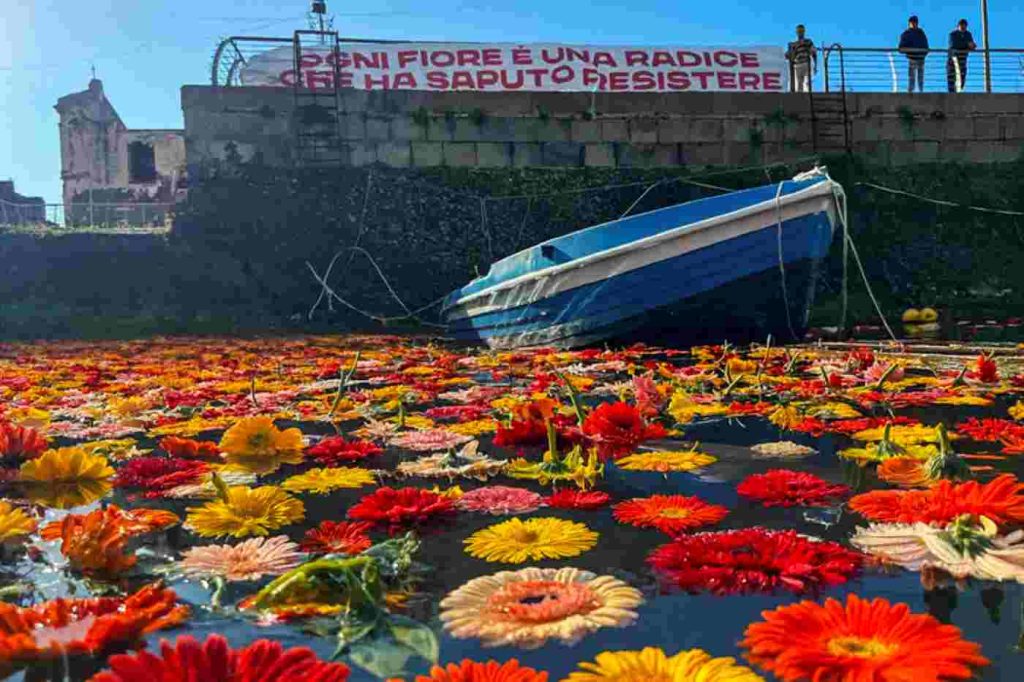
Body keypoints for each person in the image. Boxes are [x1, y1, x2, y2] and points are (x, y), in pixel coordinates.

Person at [899, 15, 929, 92]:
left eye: (915, 22)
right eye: (912, 22)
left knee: (920, 76)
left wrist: (924, 53)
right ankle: (910, 92)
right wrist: (910, 51)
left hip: (921, 57)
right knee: (911, 77)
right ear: (909, 24)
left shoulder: (920, 32)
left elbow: (925, 45)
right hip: (912, 57)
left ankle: (921, 91)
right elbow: (901, 47)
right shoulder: (906, 34)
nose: (914, 24)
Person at [947, 19, 976, 92]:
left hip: (963, 59)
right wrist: (966, 45)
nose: (963, 27)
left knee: (962, 77)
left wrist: (972, 46)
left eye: (964, 26)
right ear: (958, 26)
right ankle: (952, 94)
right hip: (953, 60)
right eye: (961, 25)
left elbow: (971, 44)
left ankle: (959, 91)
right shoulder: (953, 34)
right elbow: (954, 45)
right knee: (952, 78)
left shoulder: (968, 34)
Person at [786, 25, 817, 92]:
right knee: (799, 83)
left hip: (806, 63)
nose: (800, 33)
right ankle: (801, 97)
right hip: (798, 65)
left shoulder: (808, 41)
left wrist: (815, 65)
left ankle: (809, 95)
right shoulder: (794, 44)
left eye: (801, 31)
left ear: (804, 32)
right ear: (797, 32)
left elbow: (814, 53)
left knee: (807, 82)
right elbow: (788, 55)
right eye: (799, 31)